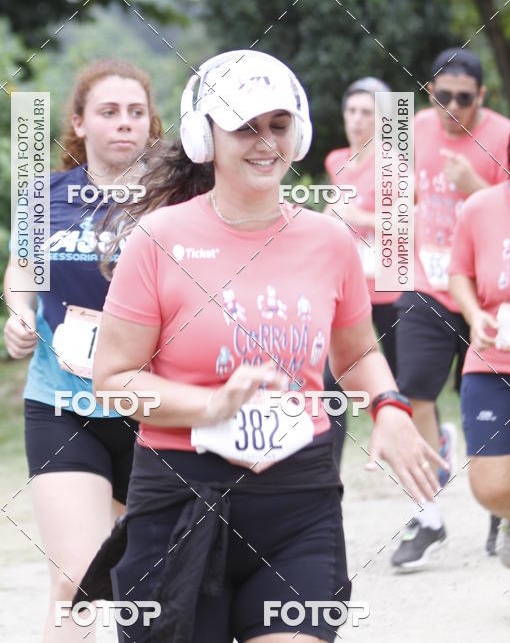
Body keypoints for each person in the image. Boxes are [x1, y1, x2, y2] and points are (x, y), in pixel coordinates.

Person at [77, 50, 444, 643]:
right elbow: (113, 381)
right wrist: (211, 407)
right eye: (245, 127)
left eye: (277, 125)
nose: (264, 142)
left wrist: (390, 407)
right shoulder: (156, 241)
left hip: (298, 498)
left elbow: (355, 355)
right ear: (205, 137)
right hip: (180, 497)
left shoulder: (329, 241)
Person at [3, 58, 162, 641]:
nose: (125, 123)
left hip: (154, 409)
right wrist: (19, 314)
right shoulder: (45, 196)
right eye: (109, 112)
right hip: (61, 404)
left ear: (150, 124)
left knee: (151, 584)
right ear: (79, 122)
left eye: (136, 113)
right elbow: (22, 270)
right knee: (77, 582)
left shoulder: (173, 201)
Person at [391, 47, 510, 571]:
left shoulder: (505, 134)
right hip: (428, 284)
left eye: (465, 99)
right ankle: (428, 515)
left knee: (488, 394)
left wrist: (473, 187)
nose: (453, 108)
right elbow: (390, 205)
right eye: (443, 97)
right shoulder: (403, 128)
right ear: (428, 91)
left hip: (493, 293)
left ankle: (500, 507)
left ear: (482, 97)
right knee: (414, 386)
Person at [323, 78, 400, 466]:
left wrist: (357, 217)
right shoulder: (336, 161)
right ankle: (330, 470)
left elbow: (404, 223)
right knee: (330, 380)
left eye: (366, 112)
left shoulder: (391, 163)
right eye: (351, 111)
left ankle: (421, 477)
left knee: (402, 383)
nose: (356, 120)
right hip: (347, 288)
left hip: (388, 287)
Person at [449, 128, 510, 569]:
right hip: (492, 360)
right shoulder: (481, 208)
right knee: (488, 488)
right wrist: (474, 314)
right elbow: (459, 274)